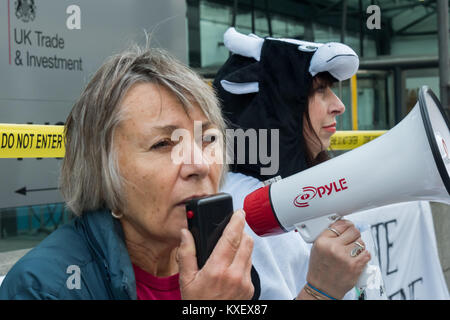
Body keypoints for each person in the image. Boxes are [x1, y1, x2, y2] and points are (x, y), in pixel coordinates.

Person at [0, 42, 366, 300]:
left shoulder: (222, 263)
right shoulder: (43, 288)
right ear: (100, 170)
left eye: (208, 139)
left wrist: (319, 292)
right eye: (163, 144)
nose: (200, 164)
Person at [215, 28, 370, 300]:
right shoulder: (245, 212)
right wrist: (321, 292)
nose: (338, 105)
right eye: (319, 90)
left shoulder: (295, 184)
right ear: (273, 107)